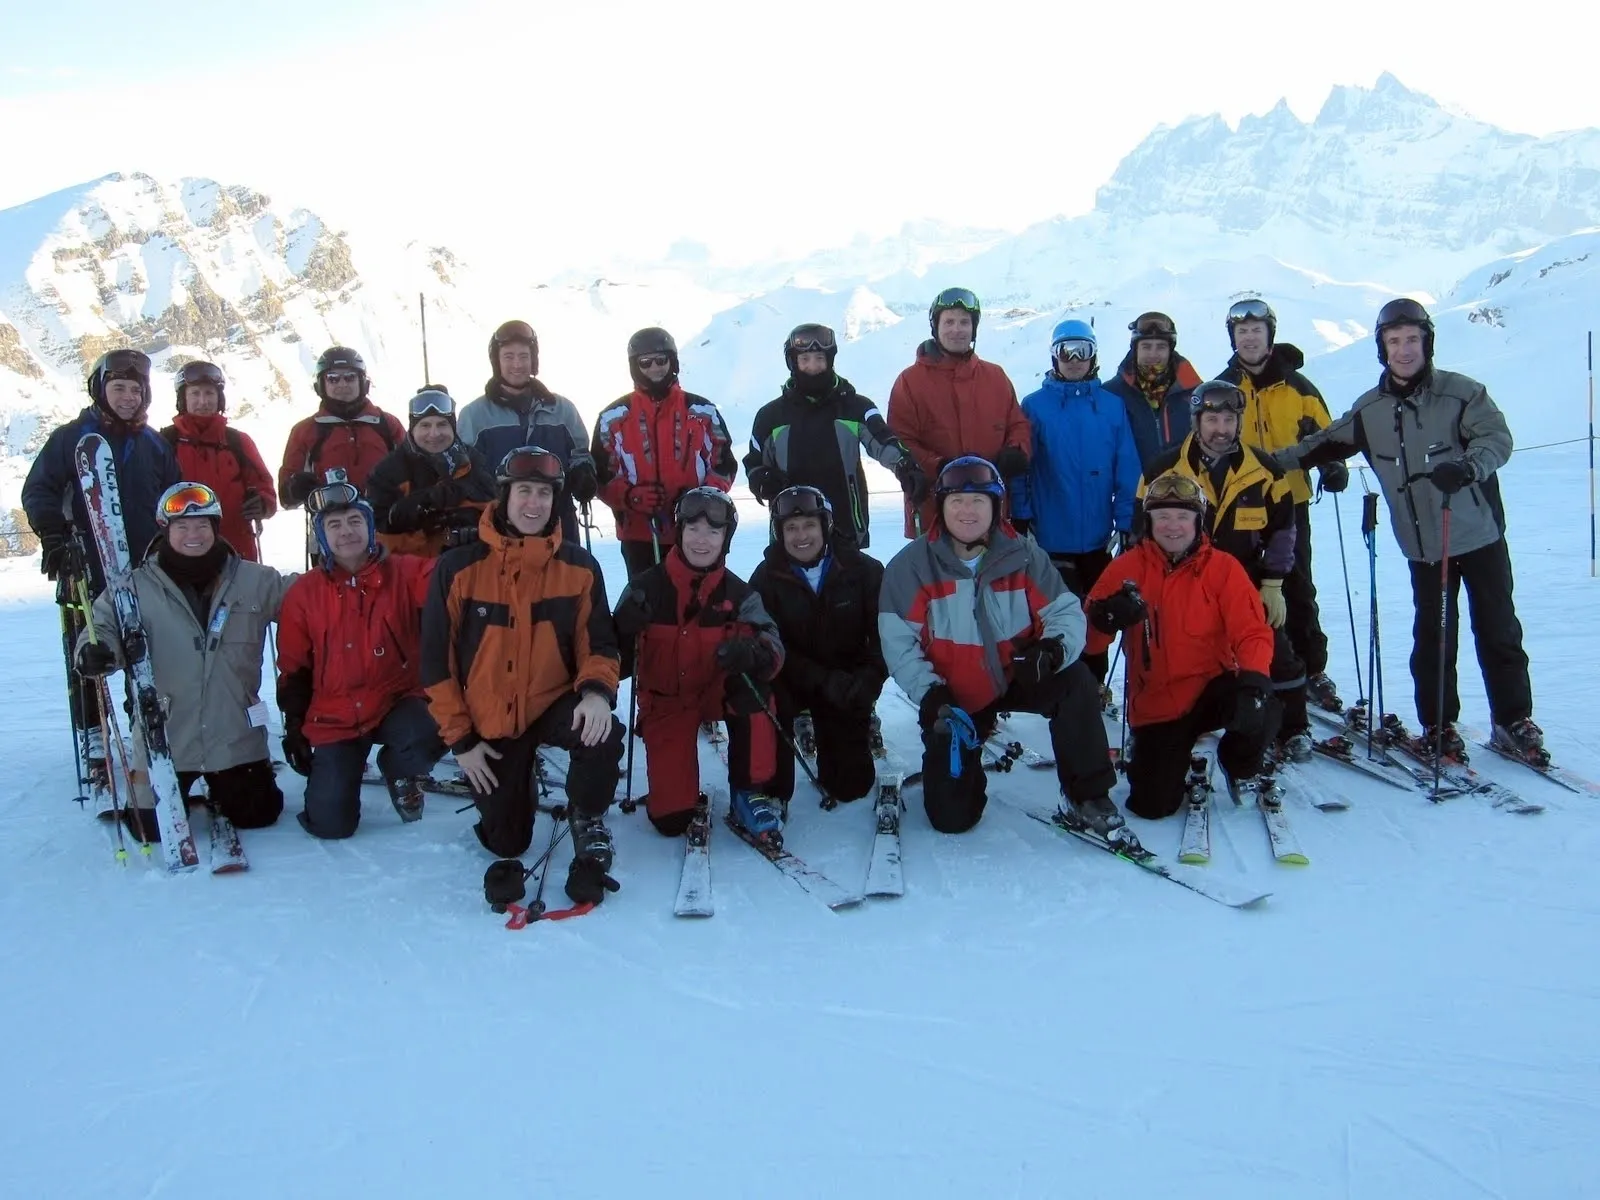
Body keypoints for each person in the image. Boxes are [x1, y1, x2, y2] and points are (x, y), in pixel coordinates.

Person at [1274, 298, 1542, 763]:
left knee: (1498, 628)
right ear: (1382, 348)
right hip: (1423, 547)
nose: (1404, 350)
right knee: (1434, 635)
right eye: (1394, 341)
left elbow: (1496, 438)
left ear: (1427, 342)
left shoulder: (1461, 393)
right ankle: (1438, 726)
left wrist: (1469, 466)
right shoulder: (1372, 410)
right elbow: (1318, 446)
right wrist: (1260, 463)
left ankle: (1512, 720)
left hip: (1478, 535)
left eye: (1411, 340)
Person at [421, 447, 625, 905]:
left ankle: (587, 812)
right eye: (523, 492)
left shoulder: (578, 567)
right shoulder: (458, 568)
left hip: (553, 703)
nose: (533, 504)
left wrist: (596, 692)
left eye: (544, 494)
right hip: (490, 720)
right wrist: (462, 742)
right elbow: (435, 664)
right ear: (504, 496)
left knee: (602, 730)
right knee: (506, 842)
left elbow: (600, 644)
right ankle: (514, 778)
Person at [878, 456, 1120, 835]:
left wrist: (1052, 650)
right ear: (941, 507)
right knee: (952, 818)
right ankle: (965, 759)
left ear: (997, 506)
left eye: (979, 501)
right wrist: (931, 695)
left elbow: (1065, 613)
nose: (968, 510)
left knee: (1075, 681)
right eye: (957, 500)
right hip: (953, 696)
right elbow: (899, 645)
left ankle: (1088, 794)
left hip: (1017, 673)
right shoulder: (911, 566)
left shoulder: (1023, 555)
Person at [74, 482, 291, 838]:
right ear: (166, 530)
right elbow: (101, 626)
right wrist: (95, 652)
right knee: (150, 830)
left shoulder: (256, 580)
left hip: (234, 735)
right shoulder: (133, 586)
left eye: (203, 525)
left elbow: (311, 601)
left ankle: (224, 785)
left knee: (259, 815)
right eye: (183, 527)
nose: (194, 534)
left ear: (216, 529)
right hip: (166, 737)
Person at [22, 348, 180, 789]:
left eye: (135, 390)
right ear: (100, 389)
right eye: (119, 388)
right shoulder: (71, 438)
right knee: (89, 653)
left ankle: (143, 730)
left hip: (145, 566)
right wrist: (54, 536)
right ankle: (94, 739)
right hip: (85, 565)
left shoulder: (153, 445)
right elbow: (39, 490)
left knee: (143, 652)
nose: (128, 397)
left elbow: (173, 497)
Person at [1084, 471, 1278, 818]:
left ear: (1197, 522)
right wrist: (1105, 618)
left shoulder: (1223, 568)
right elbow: (1090, 645)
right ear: (1149, 521)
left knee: (1261, 706)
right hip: (1157, 701)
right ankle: (1163, 755)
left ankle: (1238, 764)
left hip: (1212, 688)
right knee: (1152, 806)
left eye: (1182, 517)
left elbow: (1252, 632)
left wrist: (1253, 684)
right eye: (1163, 517)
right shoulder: (1124, 569)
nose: (1173, 526)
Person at [1141, 380, 1310, 760]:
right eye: (1212, 418)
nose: (1221, 428)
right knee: (1168, 652)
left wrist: (1272, 583)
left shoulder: (1264, 470)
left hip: (1246, 582)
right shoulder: (1165, 468)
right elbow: (1143, 529)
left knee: (1275, 651)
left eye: (1229, 419)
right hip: (1182, 580)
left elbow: (1284, 529)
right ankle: (1166, 721)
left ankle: (1293, 726)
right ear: (1196, 421)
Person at [612, 487, 788, 840]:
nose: (702, 540)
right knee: (671, 821)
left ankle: (748, 790)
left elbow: (774, 648)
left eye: (713, 531)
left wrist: (754, 653)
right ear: (678, 532)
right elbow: (612, 663)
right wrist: (621, 631)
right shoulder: (645, 589)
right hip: (666, 701)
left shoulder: (740, 595)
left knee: (756, 690)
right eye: (692, 529)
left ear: (726, 538)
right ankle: (675, 789)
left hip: (716, 691)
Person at [275, 481, 443, 838]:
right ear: (321, 536)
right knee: (331, 825)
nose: (346, 531)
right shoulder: (303, 593)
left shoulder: (407, 571)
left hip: (397, 700)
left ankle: (400, 768)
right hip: (335, 715)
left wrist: (463, 555)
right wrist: (294, 727)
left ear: (370, 526)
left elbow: (449, 585)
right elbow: (293, 666)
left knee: (436, 722)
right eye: (334, 525)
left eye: (354, 521)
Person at [1215, 299, 1342, 710]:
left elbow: (1328, 435)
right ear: (1233, 337)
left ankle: (1312, 668)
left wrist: (1333, 466)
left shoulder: (1297, 386)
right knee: (1246, 589)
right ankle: (1251, 662)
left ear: (1270, 333)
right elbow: (1206, 439)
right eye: (1242, 332)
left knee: (1298, 587)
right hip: (1240, 506)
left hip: (1290, 502)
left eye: (1256, 330)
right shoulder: (1224, 387)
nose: (1249, 338)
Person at [749, 486, 886, 810]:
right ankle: (773, 788)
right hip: (794, 682)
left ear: (825, 525)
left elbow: (884, 635)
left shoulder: (865, 571)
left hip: (846, 682)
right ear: (778, 532)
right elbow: (767, 642)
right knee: (766, 696)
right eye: (791, 528)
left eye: (809, 525)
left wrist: (870, 679)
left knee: (850, 786)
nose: (801, 536)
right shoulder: (767, 577)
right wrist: (819, 679)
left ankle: (846, 733)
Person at [744, 323, 927, 549]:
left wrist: (905, 466)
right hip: (792, 530)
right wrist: (762, 479)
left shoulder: (855, 407)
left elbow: (882, 441)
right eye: (805, 360)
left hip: (846, 527)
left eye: (820, 358)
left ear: (830, 360)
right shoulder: (770, 416)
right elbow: (753, 462)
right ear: (793, 363)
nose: (813, 367)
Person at [1009, 319, 1142, 620]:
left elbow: (1127, 469)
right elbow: (1022, 468)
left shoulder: (1111, 406)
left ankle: (1094, 666)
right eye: (1065, 351)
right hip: (1049, 540)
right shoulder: (1035, 406)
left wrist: (1126, 522)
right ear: (1054, 356)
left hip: (1098, 539)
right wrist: (1021, 515)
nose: (1074, 360)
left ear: (1093, 356)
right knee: (1057, 618)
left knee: (1098, 618)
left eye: (1082, 351)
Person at [592, 328, 738, 578]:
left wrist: (698, 499)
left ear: (673, 362)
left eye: (661, 360)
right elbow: (601, 475)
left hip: (696, 530)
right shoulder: (613, 417)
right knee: (646, 604)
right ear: (634, 367)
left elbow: (723, 465)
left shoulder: (702, 411)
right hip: (640, 533)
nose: (655, 368)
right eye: (645, 363)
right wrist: (630, 497)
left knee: (699, 601)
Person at [887, 288, 1030, 537]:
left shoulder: (995, 377)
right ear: (935, 327)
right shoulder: (910, 381)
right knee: (936, 576)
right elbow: (900, 440)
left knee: (996, 573)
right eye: (949, 321)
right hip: (933, 510)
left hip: (990, 510)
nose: (957, 329)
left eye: (965, 322)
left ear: (974, 329)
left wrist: (1016, 450)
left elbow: (1017, 423)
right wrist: (938, 467)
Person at [456, 321, 597, 543]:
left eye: (524, 356)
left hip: (557, 524)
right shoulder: (474, 416)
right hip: (499, 531)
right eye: (508, 356)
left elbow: (580, 454)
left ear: (533, 359)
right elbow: (465, 472)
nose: (517, 364)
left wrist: (583, 473)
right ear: (497, 361)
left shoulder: (562, 409)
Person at [158, 360, 278, 563]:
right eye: (195, 394)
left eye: (209, 393)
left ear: (219, 398)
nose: (203, 401)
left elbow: (264, 487)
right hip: (182, 550)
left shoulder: (237, 441)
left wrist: (262, 503)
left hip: (236, 549)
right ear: (183, 399)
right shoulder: (166, 442)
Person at [367, 388, 497, 557]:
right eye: (425, 425)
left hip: (472, 563)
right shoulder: (388, 471)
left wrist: (467, 518)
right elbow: (377, 533)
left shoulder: (474, 461)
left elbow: (496, 508)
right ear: (412, 429)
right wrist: (420, 512)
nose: (434, 434)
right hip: (415, 570)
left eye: (442, 424)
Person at [277, 346, 405, 508]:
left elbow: (415, 470)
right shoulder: (305, 431)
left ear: (363, 382)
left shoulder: (387, 424)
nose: (342, 384)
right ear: (321, 385)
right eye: (333, 378)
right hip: (332, 525)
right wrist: (294, 488)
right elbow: (286, 498)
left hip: (387, 523)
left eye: (350, 377)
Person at [1102, 312, 1205, 476]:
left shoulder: (1195, 393)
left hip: (1186, 492)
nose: (1153, 354)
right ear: (1135, 349)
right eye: (1146, 346)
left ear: (1170, 350)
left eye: (1161, 347)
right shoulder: (1111, 395)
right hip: (1133, 495)